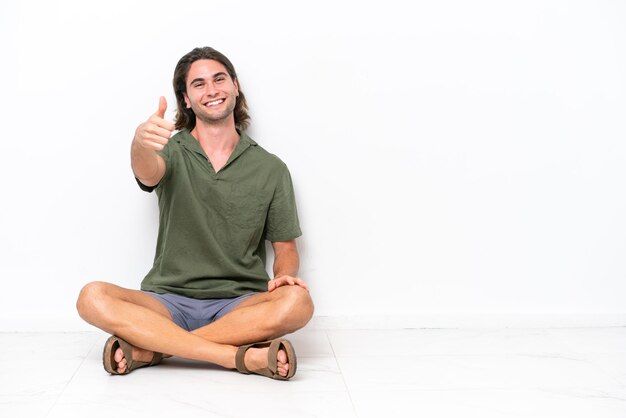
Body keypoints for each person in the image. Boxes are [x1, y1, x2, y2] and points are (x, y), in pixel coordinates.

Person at [76, 46, 314, 380]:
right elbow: (147, 171)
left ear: (235, 86)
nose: (212, 89)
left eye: (219, 79)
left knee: (298, 302)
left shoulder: (271, 168)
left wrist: (283, 277)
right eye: (199, 84)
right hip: (166, 302)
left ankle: (152, 350)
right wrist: (139, 143)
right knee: (92, 297)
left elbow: (285, 248)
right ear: (186, 100)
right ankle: (237, 357)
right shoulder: (171, 151)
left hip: (240, 303)